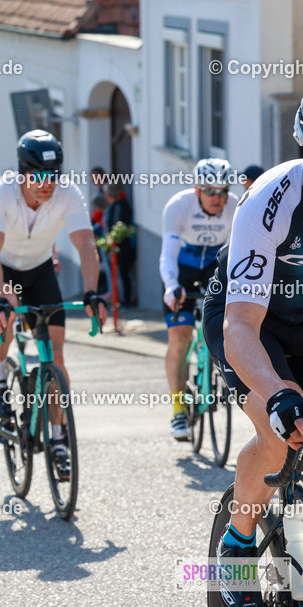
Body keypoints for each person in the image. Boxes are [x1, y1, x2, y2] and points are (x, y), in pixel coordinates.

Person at [201, 115, 303, 603]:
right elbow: (240, 325)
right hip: (249, 321)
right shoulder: (272, 200)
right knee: (278, 430)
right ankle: (238, 546)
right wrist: (279, 391)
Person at [0, 129, 107, 472]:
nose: (47, 183)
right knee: (3, 317)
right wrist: (1, 297)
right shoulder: (0, 193)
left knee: (56, 356)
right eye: (39, 176)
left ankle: (59, 435)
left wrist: (92, 290)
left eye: (54, 175)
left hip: (38, 269)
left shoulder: (68, 194)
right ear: (23, 172)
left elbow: (86, 245)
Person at [159, 158, 237, 440]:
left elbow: (240, 255)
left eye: (222, 191)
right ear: (197, 189)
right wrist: (170, 286)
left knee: (226, 329)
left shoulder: (236, 207)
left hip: (213, 268)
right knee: (180, 338)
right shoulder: (179, 206)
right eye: (210, 191)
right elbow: (167, 254)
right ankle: (179, 408)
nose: (217, 199)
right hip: (181, 270)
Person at [103, 184, 137, 307]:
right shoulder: (117, 205)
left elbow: (117, 227)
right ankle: (123, 299)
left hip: (122, 248)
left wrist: (112, 244)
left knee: (123, 275)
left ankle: (126, 300)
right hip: (122, 247)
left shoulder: (119, 206)